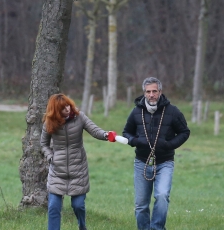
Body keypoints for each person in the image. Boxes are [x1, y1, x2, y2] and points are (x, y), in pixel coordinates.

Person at [122, 77, 190, 230]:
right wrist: (136, 141)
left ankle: (157, 228)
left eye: (154, 91)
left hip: (165, 162)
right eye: (148, 92)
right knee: (141, 205)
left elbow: (184, 132)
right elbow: (127, 133)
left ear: (160, 92)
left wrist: (169, 145)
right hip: (141, 162)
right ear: (144, 93)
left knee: (162, 196)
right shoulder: (136, 112)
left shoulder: (172, 111)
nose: (151, 95)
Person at [40, 93, 109, 230]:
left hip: (78, 169)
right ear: (55, 111)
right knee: (53, 206)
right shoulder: (49, 122)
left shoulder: (79, 117)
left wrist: (106, 135)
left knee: (78, 206)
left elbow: (95, 130)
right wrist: (50, 157)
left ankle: (82, 226)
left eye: (68, 105)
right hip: (57, 171)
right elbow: (43, 144)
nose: (68, 109)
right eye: (63, 108)